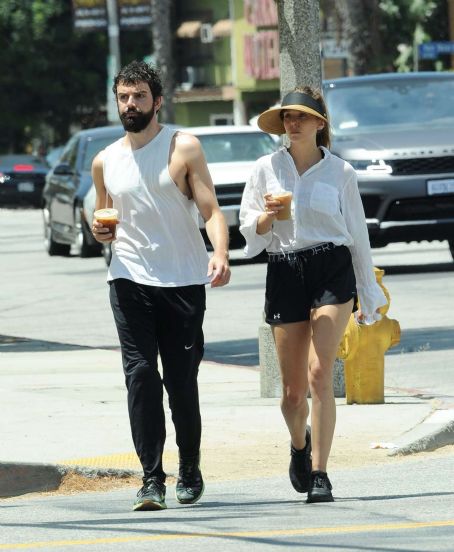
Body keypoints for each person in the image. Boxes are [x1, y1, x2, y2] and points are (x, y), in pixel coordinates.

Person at [91, 60, 230, 511]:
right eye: (124, 97)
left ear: (157, 101)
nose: (131, 104)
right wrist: (100, 232)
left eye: (139, 97)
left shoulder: (183, 147)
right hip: (129, 277)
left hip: (183, 279)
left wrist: (221, 253)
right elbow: (102, 218)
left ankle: (189, 465)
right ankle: (151, 478)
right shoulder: (105, 161)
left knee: (181, 381)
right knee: (140, 376)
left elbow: (210, 210)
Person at [239, 87, 387, 503]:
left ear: (320, 123)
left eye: (302, 116)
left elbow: (356, 235)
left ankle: (320, 472)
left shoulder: (340, 172)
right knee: (291, 393)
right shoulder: (264, 169)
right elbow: (249, 235)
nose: (294, 123)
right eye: (288, 117)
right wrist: (267, 216)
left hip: (331, 268)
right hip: (284, 268)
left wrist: (368, 294)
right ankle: (299, 445)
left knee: (320, 373)